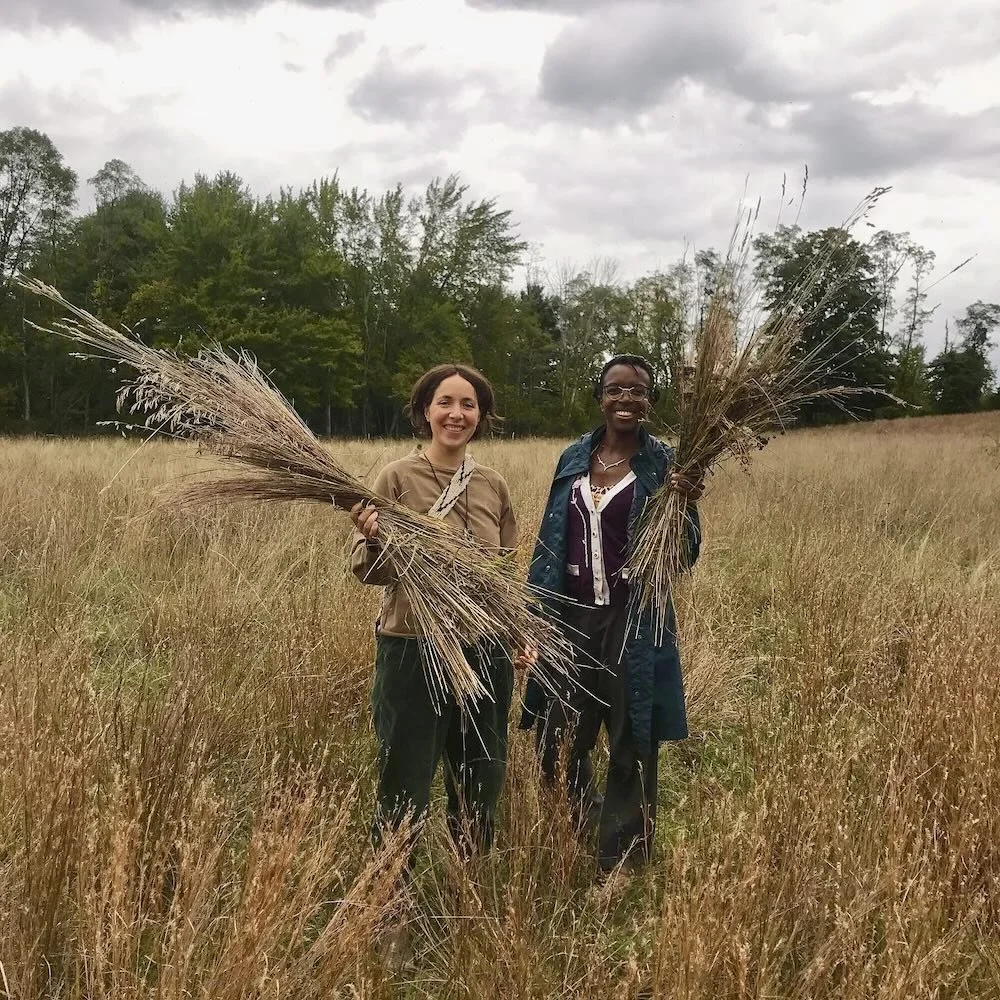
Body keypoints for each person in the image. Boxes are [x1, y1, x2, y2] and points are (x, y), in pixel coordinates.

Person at [518, 354, 704, 874]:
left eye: (639, 390)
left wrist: (685, 506)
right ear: (600, 396)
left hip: (633, 620)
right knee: (557, 730)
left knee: (631, 735)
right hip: (569, 615)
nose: (627, 398)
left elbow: (684, 552)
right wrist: (534, 616)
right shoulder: (574, 456)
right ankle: (579, 820)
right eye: (616, 388)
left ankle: (622, 857)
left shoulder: (665, 465)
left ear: (650, 401)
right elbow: (549, 540)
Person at [350, 362, 523, 864]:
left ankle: (467, 881)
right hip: (412, 648)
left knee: (481, 773)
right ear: (425, 411)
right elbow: (366, 570)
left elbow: (506, 570)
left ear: (481, 416)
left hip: (483, 650)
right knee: (404, 779)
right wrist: (376, 537)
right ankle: (392, 901)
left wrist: (517, 632)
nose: (456, 413)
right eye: (445, 402)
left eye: (468, 404)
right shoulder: (395, 476)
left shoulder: (493, 484)